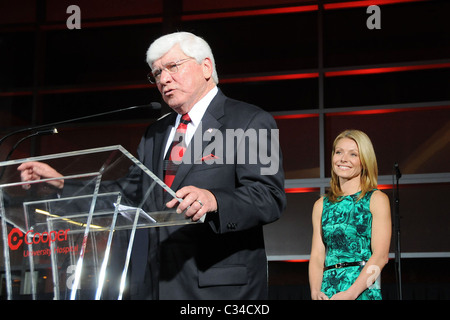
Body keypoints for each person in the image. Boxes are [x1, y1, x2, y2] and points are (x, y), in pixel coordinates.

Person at [18, 31, 286, 300]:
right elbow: (127, 195)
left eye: (173, 67)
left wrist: (214, 200)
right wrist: (62, 184)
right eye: (156, 73)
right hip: (156, 285)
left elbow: (269, 197)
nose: (163, 79)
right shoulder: (155, 133)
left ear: (206, 67)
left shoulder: (251, 120)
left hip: (220, 288)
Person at [308, 129, 391, 300]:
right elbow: (317, 256)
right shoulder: (321, 205)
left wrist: (351, 294)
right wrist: (315, 292)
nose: (343, 159)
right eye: (339, 152)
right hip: (328, 291)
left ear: (364, 161)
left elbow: (381, 256)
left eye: (353, 154)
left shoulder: (376, 199)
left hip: (362, 290)